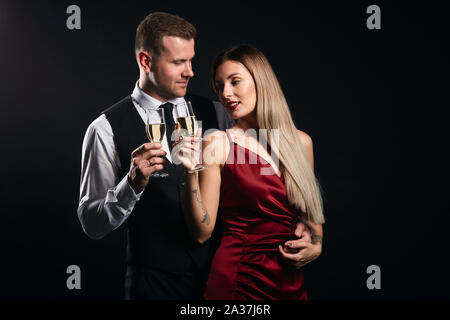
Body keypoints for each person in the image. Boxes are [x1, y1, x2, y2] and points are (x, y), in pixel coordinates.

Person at [78, 12, 311, 300]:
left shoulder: (218, 112)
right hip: (153, 286)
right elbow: (92, 224)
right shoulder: (104, 129)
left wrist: (312, 232)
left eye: (191, 60)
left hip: (223, 280)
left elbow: (275, 170)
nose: (190, 71)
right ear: (145, 62)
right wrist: (131, 184)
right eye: (178, 63)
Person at [175, 45, 325, 300]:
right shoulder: (218, 143)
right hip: (238, 279)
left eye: (235, 82)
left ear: (261, 81)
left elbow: (312, 220)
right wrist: (191, 172)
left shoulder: (302, 144)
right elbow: (202, 232)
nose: (226, 93)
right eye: (219, 86)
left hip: (289, 282)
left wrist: (317, 245)